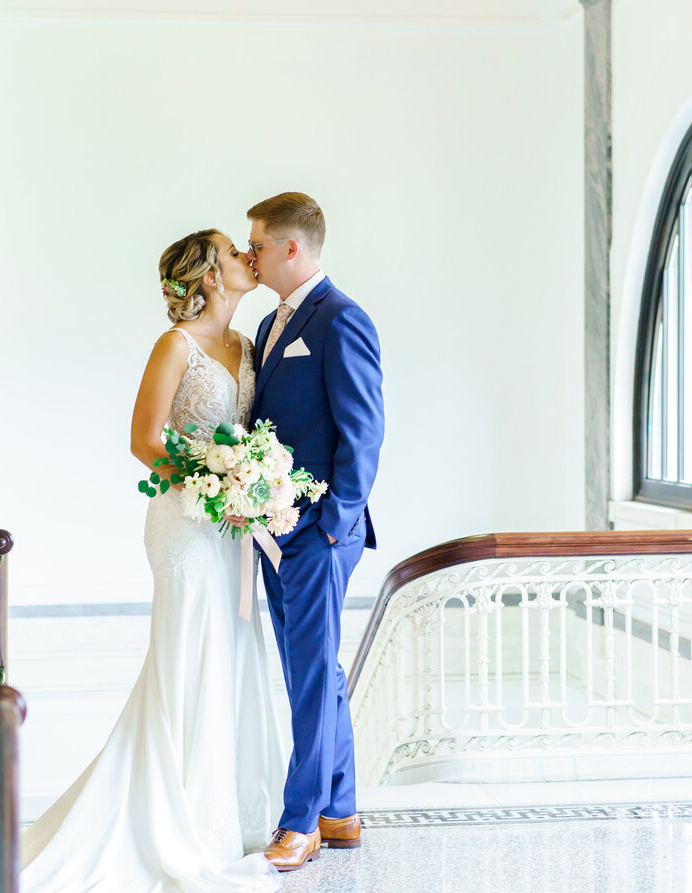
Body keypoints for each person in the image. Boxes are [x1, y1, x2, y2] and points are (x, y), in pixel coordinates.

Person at [0, 229, 287, 892]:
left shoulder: (247, 347)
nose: (245, 256)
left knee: (230, 654)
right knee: (190, 656)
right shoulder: (176, 346)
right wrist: (217, 480)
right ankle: (182, 823)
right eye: (232, 250)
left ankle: (230, 814)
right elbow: (144, 439)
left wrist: (251, 483)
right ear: (209, 275)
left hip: (230, 530)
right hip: (184, 525)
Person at [245, 193, 384, 872]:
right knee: (315, 671)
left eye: (258, 245)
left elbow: (363, 433)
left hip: (317, 533)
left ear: (291, 248)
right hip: (275, 531)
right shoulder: (273, 322)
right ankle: (341, 809)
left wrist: (332, 527)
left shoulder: (340, 319)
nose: (250, 255)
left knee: (306, 676)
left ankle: (299, 822)